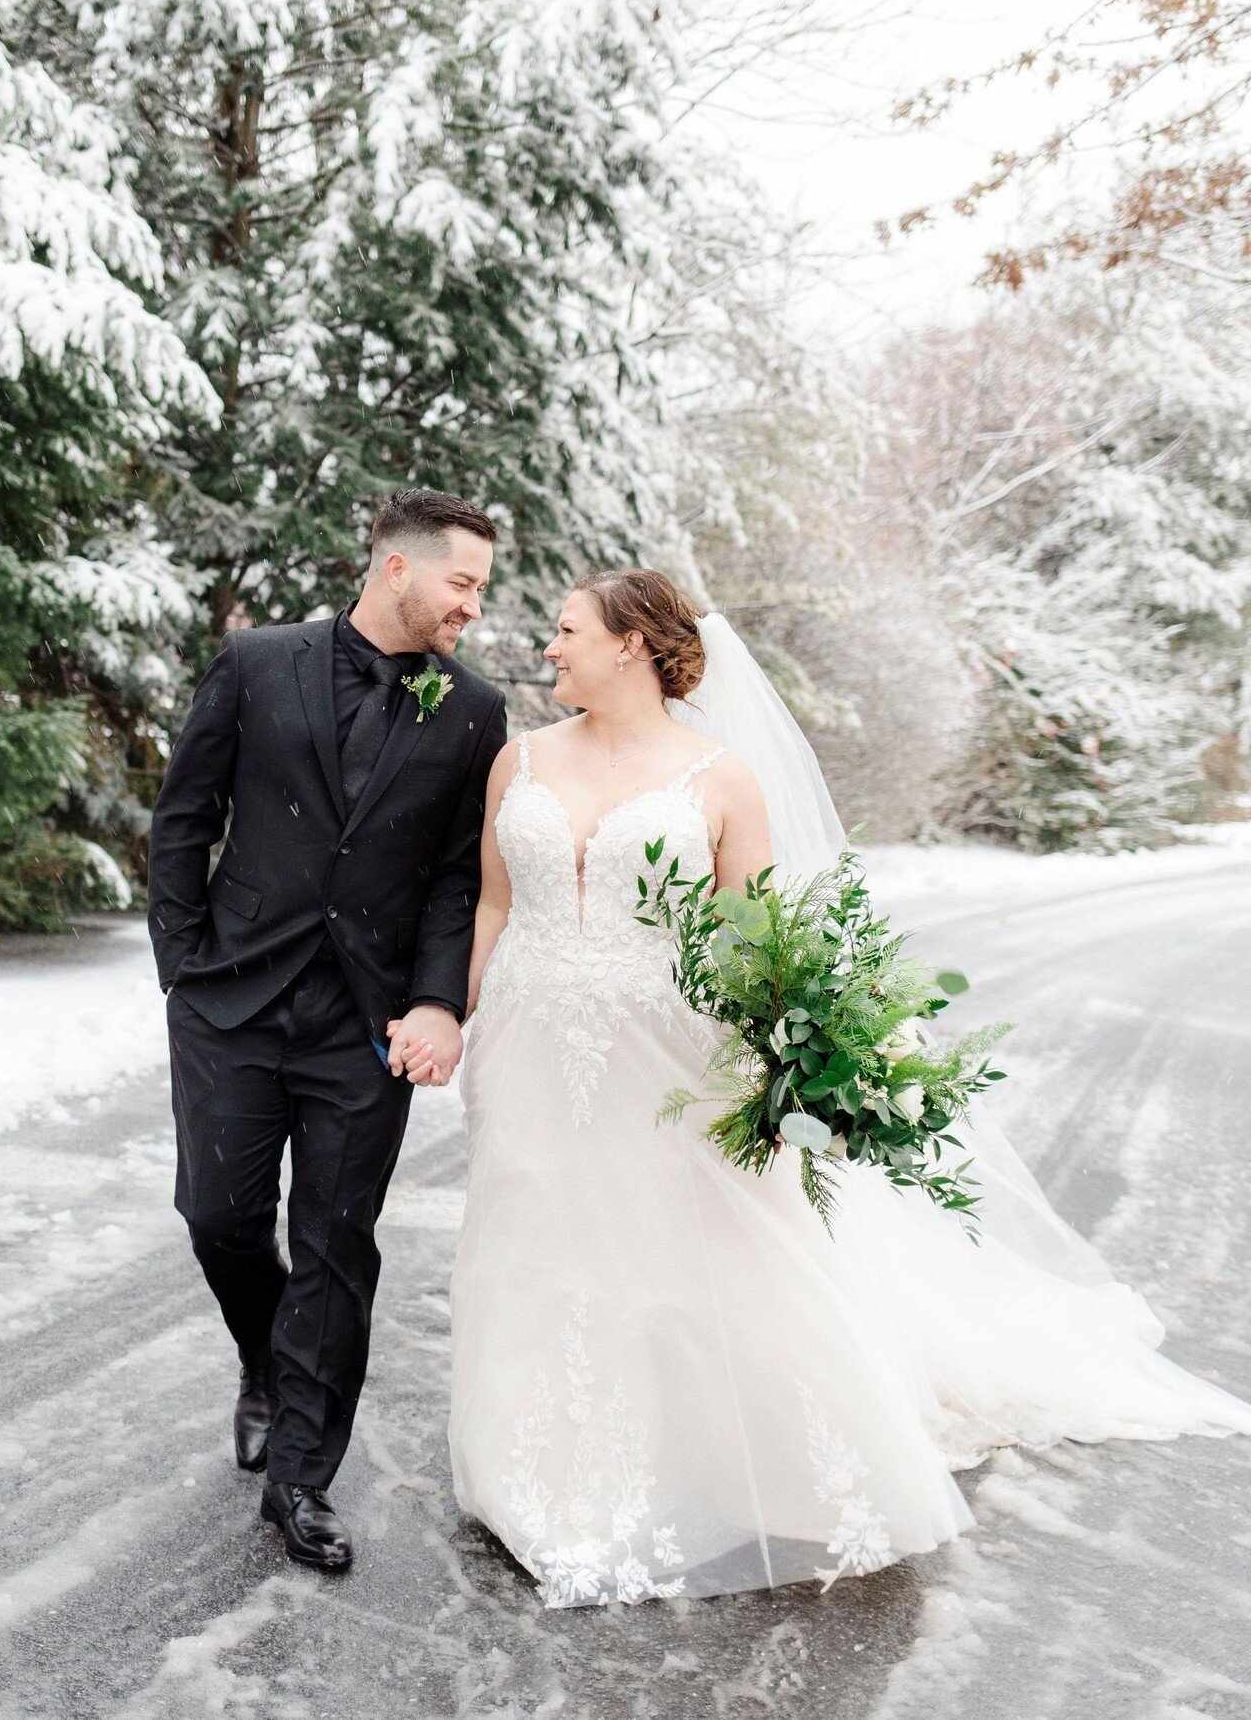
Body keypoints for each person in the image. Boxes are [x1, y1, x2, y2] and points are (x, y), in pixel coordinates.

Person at [446, 566, 1251, 1609]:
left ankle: (714, 1456)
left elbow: (760, 938)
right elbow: (495, 904)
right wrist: (464, 1019)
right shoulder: (521, 760)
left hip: (673, 1054)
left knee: (692, 1245)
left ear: (632, 643)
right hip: (530, 1041)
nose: (548, 647)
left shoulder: (721, 778)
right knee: (542, 1238)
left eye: (565, 630)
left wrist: (779, 1074)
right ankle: (542, 1457)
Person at [148, 488, 506, 1572]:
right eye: (462, 584)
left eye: (479, 591)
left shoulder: (474, 709)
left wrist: (440, 997)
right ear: (396, 567)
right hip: (233, 999)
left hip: (370, 1022)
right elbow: (183, 816)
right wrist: (182, 969)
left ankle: (303, 1472)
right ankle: (266, 1361)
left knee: (337, 1243)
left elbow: (456, 874)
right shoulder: (257, 663)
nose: (472, 610)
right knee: (219, 1214)